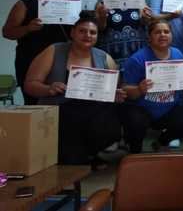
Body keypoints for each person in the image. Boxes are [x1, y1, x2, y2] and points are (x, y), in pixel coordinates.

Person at [23, 14, 124, 167]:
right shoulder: (54, 51)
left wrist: (115, 95)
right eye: (82, 31)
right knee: (72, 147)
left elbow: (113, 90)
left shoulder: (104, 57)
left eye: (92, 32)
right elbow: (29, 85)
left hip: (93, 111)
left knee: (111, 119)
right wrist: (48, 88)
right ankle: (80, 158)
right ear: (72, 33)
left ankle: (88, 154)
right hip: (60, 109)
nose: (87, 35)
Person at [121, 20, 183, 153]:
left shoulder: (178, 54)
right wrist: (139, 89)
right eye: (157, 32)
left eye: (166, 31)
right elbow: (125, 90)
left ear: (171, 35)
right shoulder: (137, 59)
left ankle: (161, 142)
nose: (162, 35)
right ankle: (134, 152)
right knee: (134, 120)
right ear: (149, 37)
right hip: (143, 109)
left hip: (170, 107)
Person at [3, 0, 68, 105]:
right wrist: (27, 28)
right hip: (30, 60)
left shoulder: (67, 4)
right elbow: (7, 32)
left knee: (63, 103)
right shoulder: (25, 4)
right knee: (34, 103)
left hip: (60, 62)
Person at [96, 0, 149, 70]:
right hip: (111, 51)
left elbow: (145, 23)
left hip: (136, 50)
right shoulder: (102, 2)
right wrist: (102, 16)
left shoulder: (140, 1)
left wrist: (146, 17)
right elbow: (100, 28)